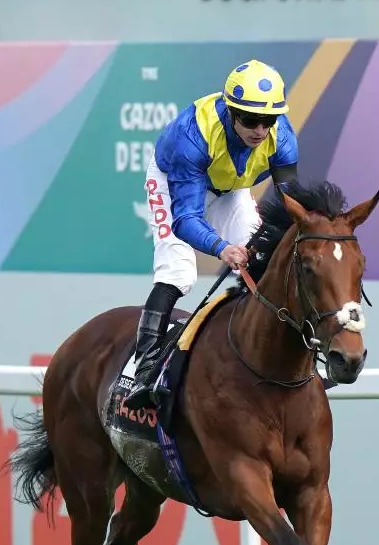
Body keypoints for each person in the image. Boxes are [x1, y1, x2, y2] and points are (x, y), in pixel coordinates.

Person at [123, 59, 301, 410]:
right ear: (232, 111)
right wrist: (221, 248)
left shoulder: (283, 138)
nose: (260, 131)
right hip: (176, 182)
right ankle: (141, 370)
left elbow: (291, 206)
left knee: (263, 259)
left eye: (268, 120)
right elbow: (186, 218)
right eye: (250, 120)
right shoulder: (193, 137)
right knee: (179, 272)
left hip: (230, 187)